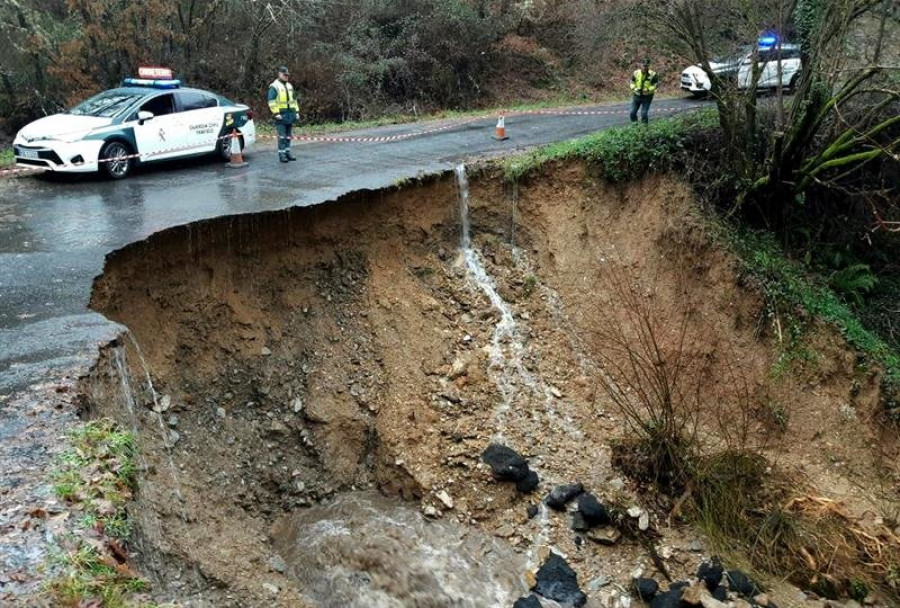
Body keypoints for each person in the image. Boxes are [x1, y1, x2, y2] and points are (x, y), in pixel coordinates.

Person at [268, 66, 300, 162]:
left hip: (290, 114)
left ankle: (287, 152)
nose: (286, 76)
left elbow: (294, 101)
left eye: (287, 75)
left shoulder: (290, 86)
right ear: (279, 74)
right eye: (284, 75)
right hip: (281, 115)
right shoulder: (274, 86)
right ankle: (282, 155)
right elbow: (271, 101)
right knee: (282, 136)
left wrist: (297, 112)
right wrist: (276, 113)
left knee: (288, 136)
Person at [629, 58, 659, 125]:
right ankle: (635, 126)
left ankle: (644, 129)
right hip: (636, 95)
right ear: (640, 65)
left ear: (649, 66)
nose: (645, 67)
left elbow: (656, 85)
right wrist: (634, 88)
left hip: (647, 96)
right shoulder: (636, 73)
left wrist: (648, 89)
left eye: (646, 66)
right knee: (632, 113)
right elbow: (631, 82)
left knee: (644, 114)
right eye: (644, 65)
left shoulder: (653, 74)